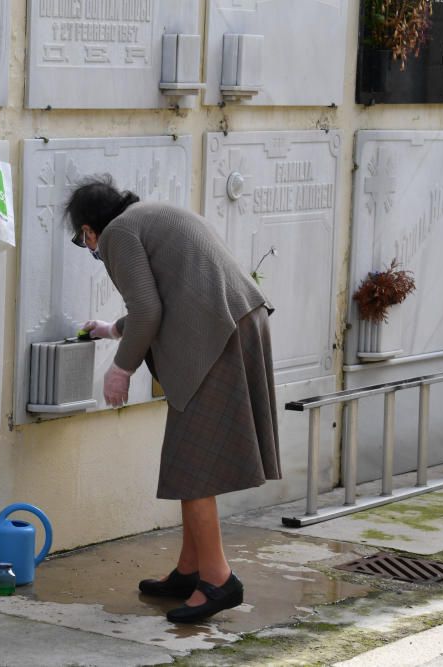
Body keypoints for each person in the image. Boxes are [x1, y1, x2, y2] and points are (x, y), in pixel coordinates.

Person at [67, 176, 282, 624]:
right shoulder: (148, 216)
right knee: (191, 460)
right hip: (236, 323)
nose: (88, 246)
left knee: (191, 466)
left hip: (215, 336)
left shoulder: (119, 235)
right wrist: (115, 329)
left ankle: (219, 580)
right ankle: (190, 569)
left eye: (82, 239)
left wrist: (120, 368)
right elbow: (168, 295)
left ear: (89, 230)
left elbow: (150, 310)